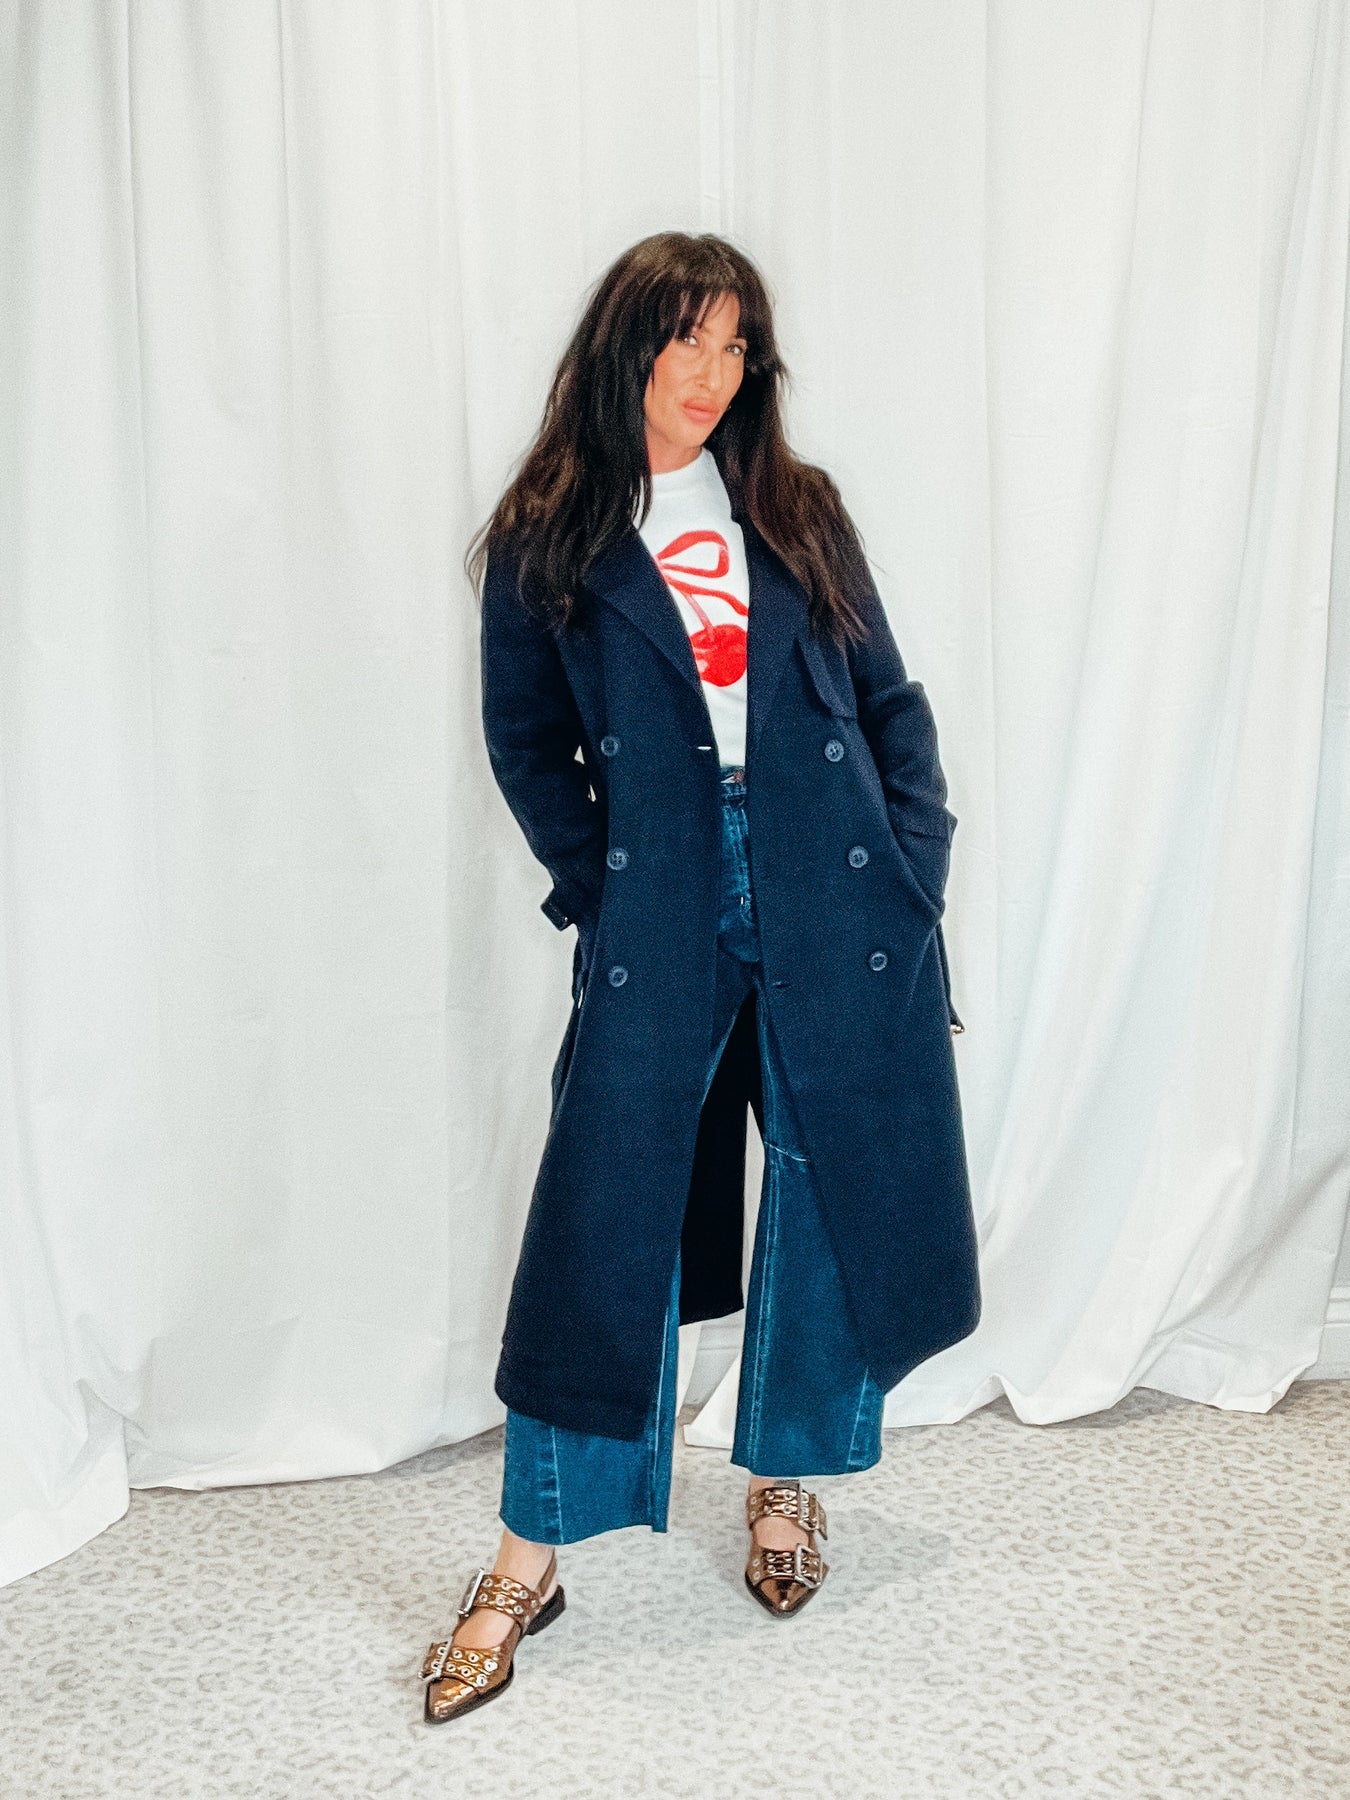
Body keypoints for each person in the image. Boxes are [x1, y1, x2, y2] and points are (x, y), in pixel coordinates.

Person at [420, 231, 981, 1724]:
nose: (713, 373)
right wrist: (601, 889)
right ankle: (528, 1557)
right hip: (661, 895)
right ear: (630, 346)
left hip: (834, 881)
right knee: (604, 1211)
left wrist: (914, 864)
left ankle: (786, 1480)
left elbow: (889, 703)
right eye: (688, 339)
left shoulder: (796, 509)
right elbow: (527, 742)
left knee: (824, 1180)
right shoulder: (549, 533)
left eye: (737, 347)